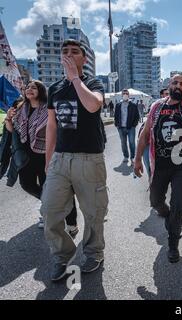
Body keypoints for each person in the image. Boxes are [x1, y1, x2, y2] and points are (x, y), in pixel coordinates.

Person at [41, 39, 108, 281]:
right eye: (65, 52)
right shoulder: (54, 89)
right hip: (61, 159)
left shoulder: (93, 83)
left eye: (74, 52)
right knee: (49, 211)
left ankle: (93, 252)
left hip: (89, 159)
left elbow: (93, 106)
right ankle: (62, 255)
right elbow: (51, 125)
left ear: (84, 58)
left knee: (94, 212)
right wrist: (49, 160)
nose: (69, 55)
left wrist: (75, 79)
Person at [134, 59, 182, 264]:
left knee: (178, 204)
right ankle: (168, 217)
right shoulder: (156, 107)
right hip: (159, 165)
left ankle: (173, 243)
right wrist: (137, 159)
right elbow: (145, 133)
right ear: (169, 86)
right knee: (156, 201)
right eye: (175, 83)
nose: (178, 86)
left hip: (181, 167)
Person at [4, 81, 78, 236]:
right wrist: (8, 120)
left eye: (34, 87)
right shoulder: (19, 108)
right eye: (28, 87)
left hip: (47, 155)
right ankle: (49, 206)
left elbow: (59, 129)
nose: (29, 89)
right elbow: (13, 131)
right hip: (25, 156)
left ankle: (71, 223)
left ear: (41, 91)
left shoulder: (49, 108)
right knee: (27, 184)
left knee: (60, 190)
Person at [114, 89, 140, 165]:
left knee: (132, 143)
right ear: (122, 95)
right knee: (123, 143)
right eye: (124, 93)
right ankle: (125, 156)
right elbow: (116, 116)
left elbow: (137, 116)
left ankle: (132, 158)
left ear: (129, 95)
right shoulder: (118, 105)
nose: (125, 94)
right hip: (121, 128)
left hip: (130, 127)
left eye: (126, 93)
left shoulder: (133, 105)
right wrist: (117, 124)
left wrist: (134, 125)